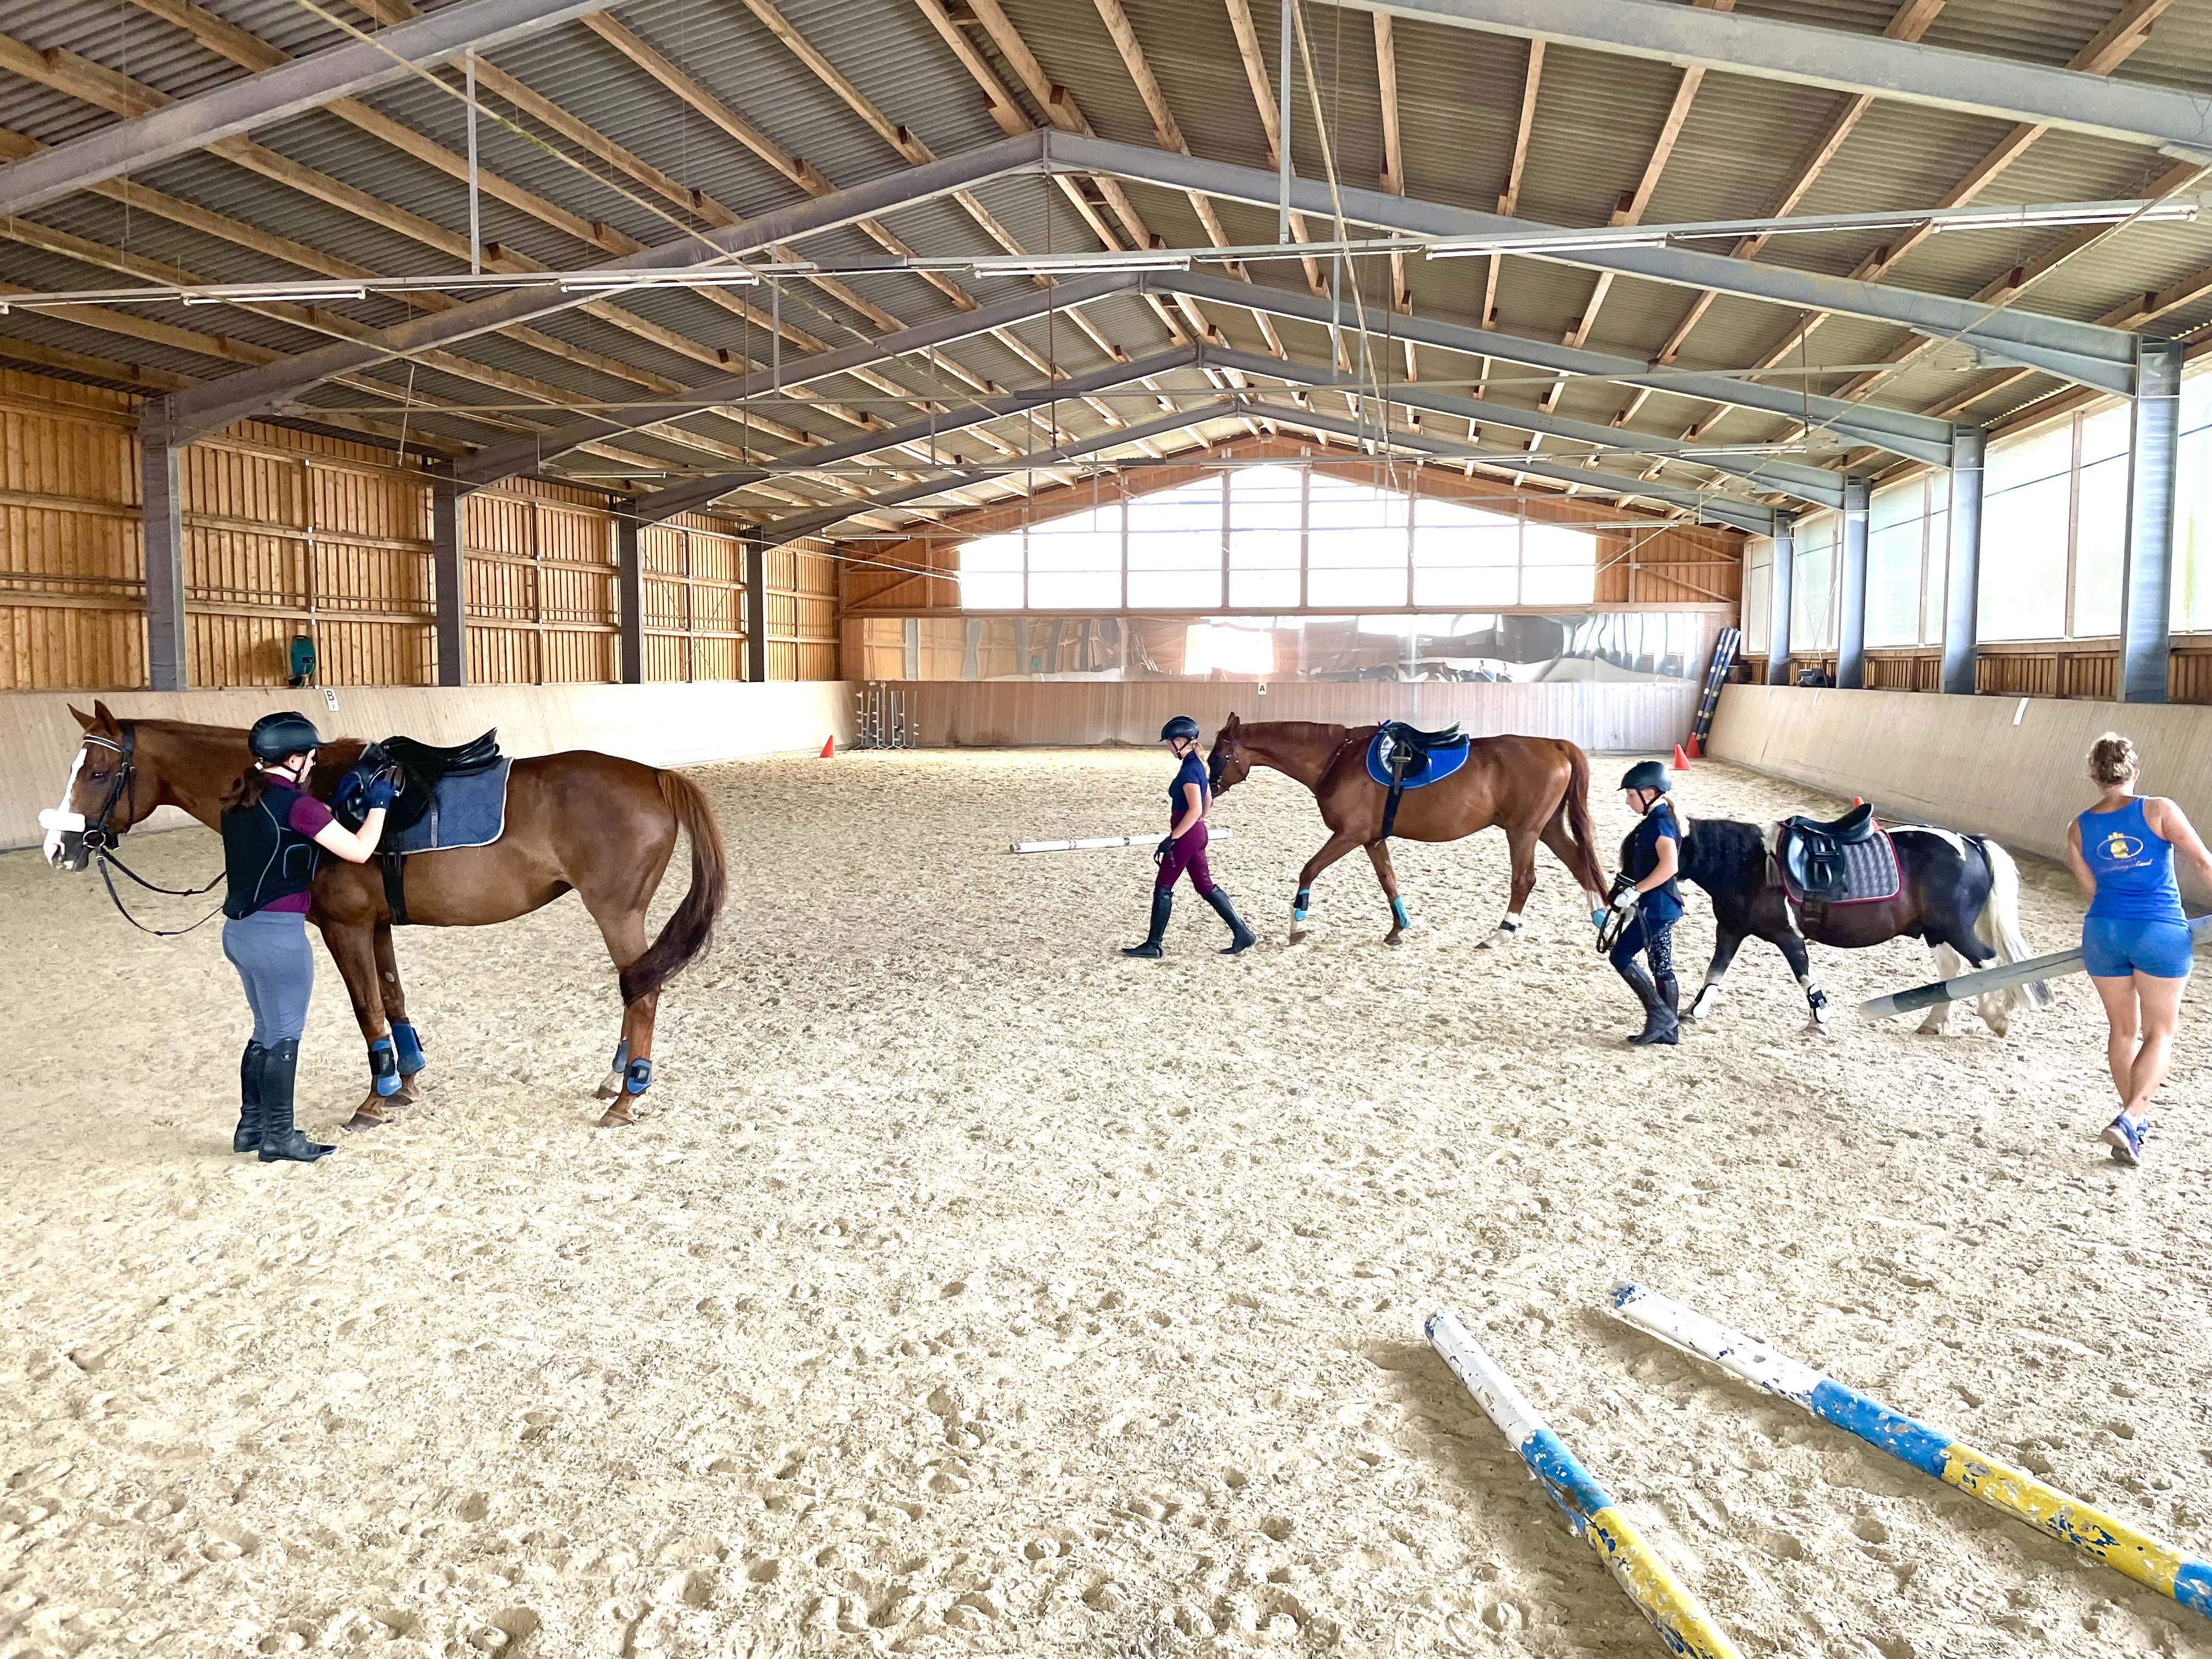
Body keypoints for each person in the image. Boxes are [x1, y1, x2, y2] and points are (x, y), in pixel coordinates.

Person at [220, 711, 394, 1163]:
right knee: (283, 1035)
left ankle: (250, 1126)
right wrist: (379, 804)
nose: (313, 765)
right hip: (279, 937)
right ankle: (280, 1136)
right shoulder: (300, 807)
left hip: (240, 933)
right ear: (296, 759)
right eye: (311, 758)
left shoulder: (238, 800)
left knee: (263, 1031)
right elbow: (358, 851)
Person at [2065, 733, 2212, 1166]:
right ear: (2135, 772)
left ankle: (2133, 1123)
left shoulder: (2079, 826)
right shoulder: (2159, 809)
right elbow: (2203, 861)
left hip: (2104, 932)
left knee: (2123, 1031)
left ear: (2094, 777)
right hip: (2159, 931)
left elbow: (2089, 889)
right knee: (2160, 1033)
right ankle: (2131, 1118)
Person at [1122, 715, 1257, 958]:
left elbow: (1195, 809)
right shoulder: (1197, 764)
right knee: (1205, 886)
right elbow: (1207, 803)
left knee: (1163, 887)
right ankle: (1243, 933)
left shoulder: (1189, 769)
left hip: (1187, 835)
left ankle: (1154, 944)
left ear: (1181, 741)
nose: (1167, 747)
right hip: (1195, 833)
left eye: (1169, 742)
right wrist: (1197, 827)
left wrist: (1174, 838)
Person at [1606, 759, 1685, 1046]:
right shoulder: (1656, 822)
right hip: (1662, 908)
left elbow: (1670, 867)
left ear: (1649, 793)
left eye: (1630, 795)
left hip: (1655, 909)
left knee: (1621, 956)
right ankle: (1669, 1031)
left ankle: (1660, 1016)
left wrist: (1636, 892)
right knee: (1661, 966)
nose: (1628, 802)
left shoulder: (1660, 825)